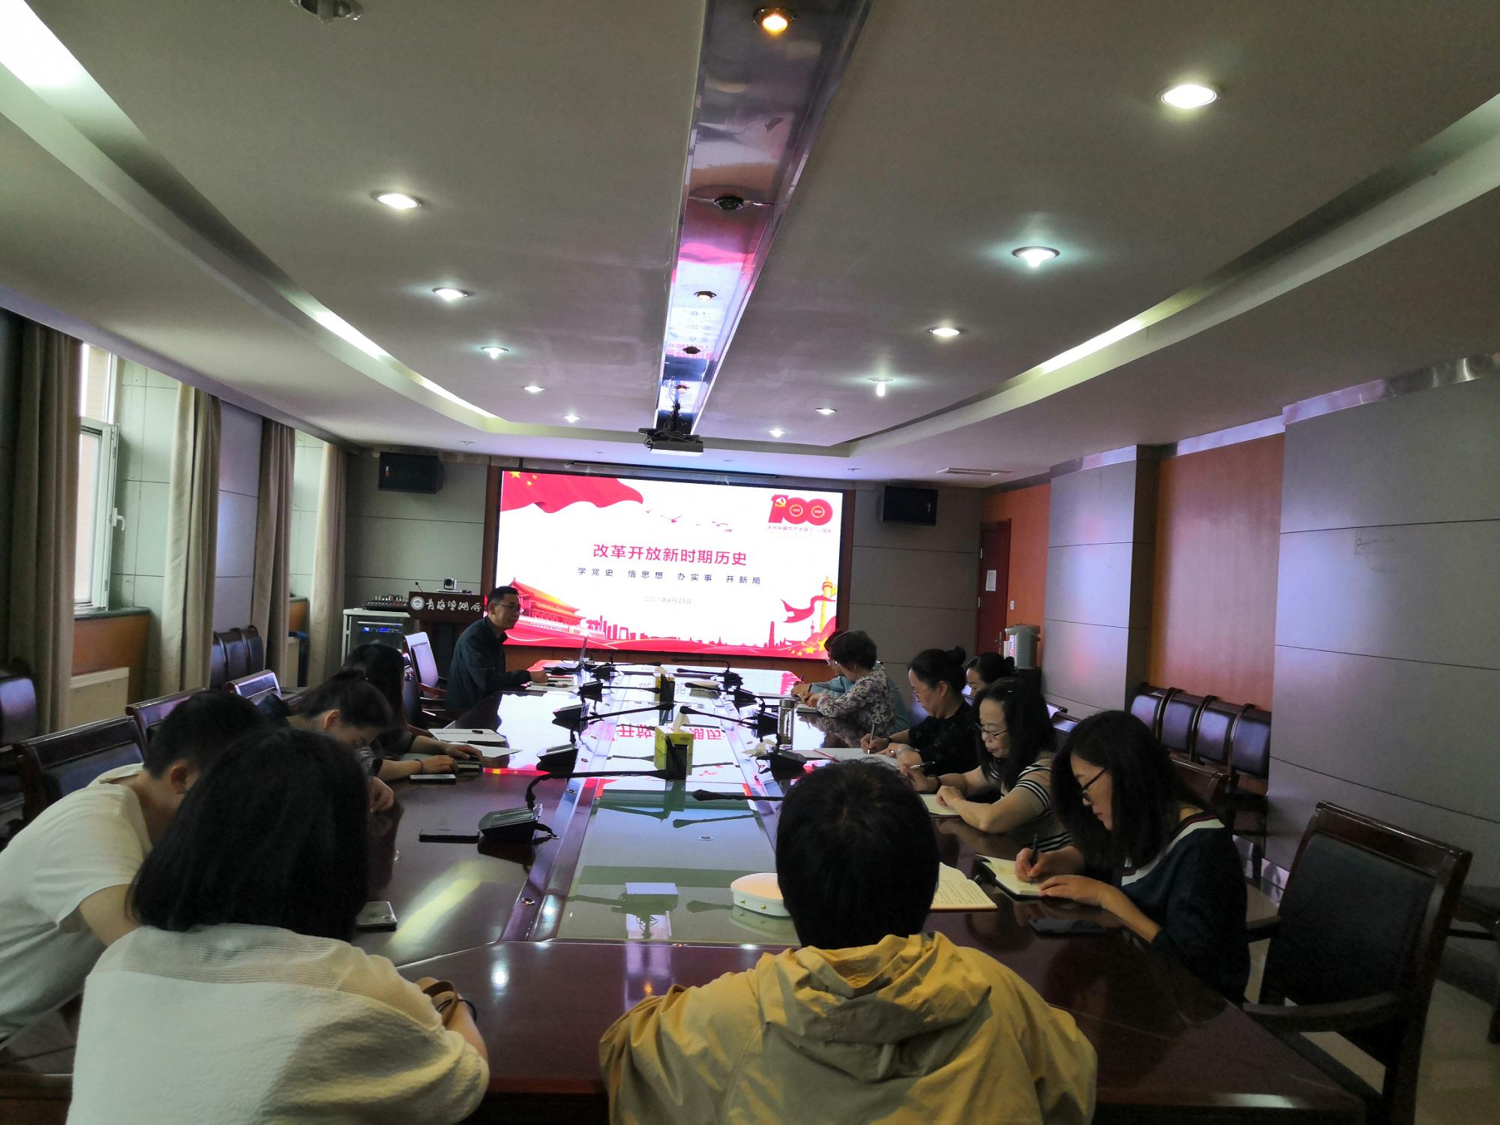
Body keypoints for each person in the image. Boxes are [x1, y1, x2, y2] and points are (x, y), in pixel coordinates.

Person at [599, 762, 1095, 1123]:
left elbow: (626, 1049)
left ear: (787, 890)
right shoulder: (997, 995)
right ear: (928, 886)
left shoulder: (728, 1015)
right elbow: (1072, 1083)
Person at [67, 728, 488, 1123]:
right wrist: (455, 1006)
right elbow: (465, 1079)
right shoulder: (354, 987)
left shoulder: (118, 963)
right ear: (340, 855)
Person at [0, 692, 264, 1039]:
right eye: (237, 795)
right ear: (181, 778)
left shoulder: (146, 789)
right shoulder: (92, 827)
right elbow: (148, 958)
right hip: (15, 1037)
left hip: (56, 1009)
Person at [1015, 711, 1249, 999]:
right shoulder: (1145, 819)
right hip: (1141, 982)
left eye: (1086, 786)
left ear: (1123, 770)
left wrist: (1108, 898)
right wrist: (1063, 859)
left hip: (1196, 1009)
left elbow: (1194, 972)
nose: (1085, 802)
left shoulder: (1203, 846)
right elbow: (1107, 862)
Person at [903, 680, 1072, 852]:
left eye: (992, 730)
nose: (985, 737)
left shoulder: (1044, 771)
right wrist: (931, 783)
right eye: (983, 728)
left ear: (1023, 729)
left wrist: (955, 800)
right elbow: (967, 781)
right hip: (1012, 854)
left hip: (1043, 864)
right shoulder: (1011, 760)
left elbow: (991, 820)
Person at [258, 669, 397, 811]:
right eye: (355, 744)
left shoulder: (303, 744)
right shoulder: (273, 751)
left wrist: (363, 782)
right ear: (332, 720)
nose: (353, 754)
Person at [343, 644, 485, 778]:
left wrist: (445, 747)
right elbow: (369, 768)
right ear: (390, 684)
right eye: (404, 676)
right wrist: (421, 766)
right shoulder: (351, 718)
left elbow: (401, 740)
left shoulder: (372, 710)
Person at [860, 647, 977, 776]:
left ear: (941, 688)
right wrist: (885, 741)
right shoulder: (940, 717)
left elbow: (913, 761)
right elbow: (913, 734)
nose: (917, 698)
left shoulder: (966, 727)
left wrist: (900, 749)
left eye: (917, 691)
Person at [446, 585, 546, 715]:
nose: (516, 613)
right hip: (468, 712)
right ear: (492, 608)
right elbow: (487, 681)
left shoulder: (494, 635)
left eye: (518, 609)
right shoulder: (474, 638)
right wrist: (528, 676)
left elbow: (496, 679)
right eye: (510, 607)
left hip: (488, 705)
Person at [792, 631, 910, 731]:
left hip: (875, 741)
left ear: (853, 665)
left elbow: (836, 709)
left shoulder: (868, 684)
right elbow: (846, 701)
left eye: (838, 663)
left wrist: (820, 697)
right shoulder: (875, 676)